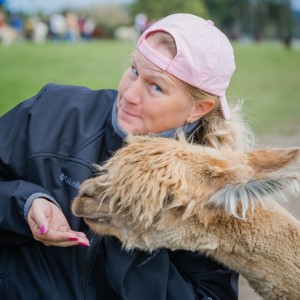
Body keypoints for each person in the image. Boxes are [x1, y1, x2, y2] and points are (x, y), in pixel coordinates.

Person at [0, 13, 253, 299]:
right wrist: (24, 204)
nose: (130, 95)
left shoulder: (213, 194)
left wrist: (132, 238)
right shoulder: (53, 111)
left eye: (155, 87)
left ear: (199, 108)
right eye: (134, 70)